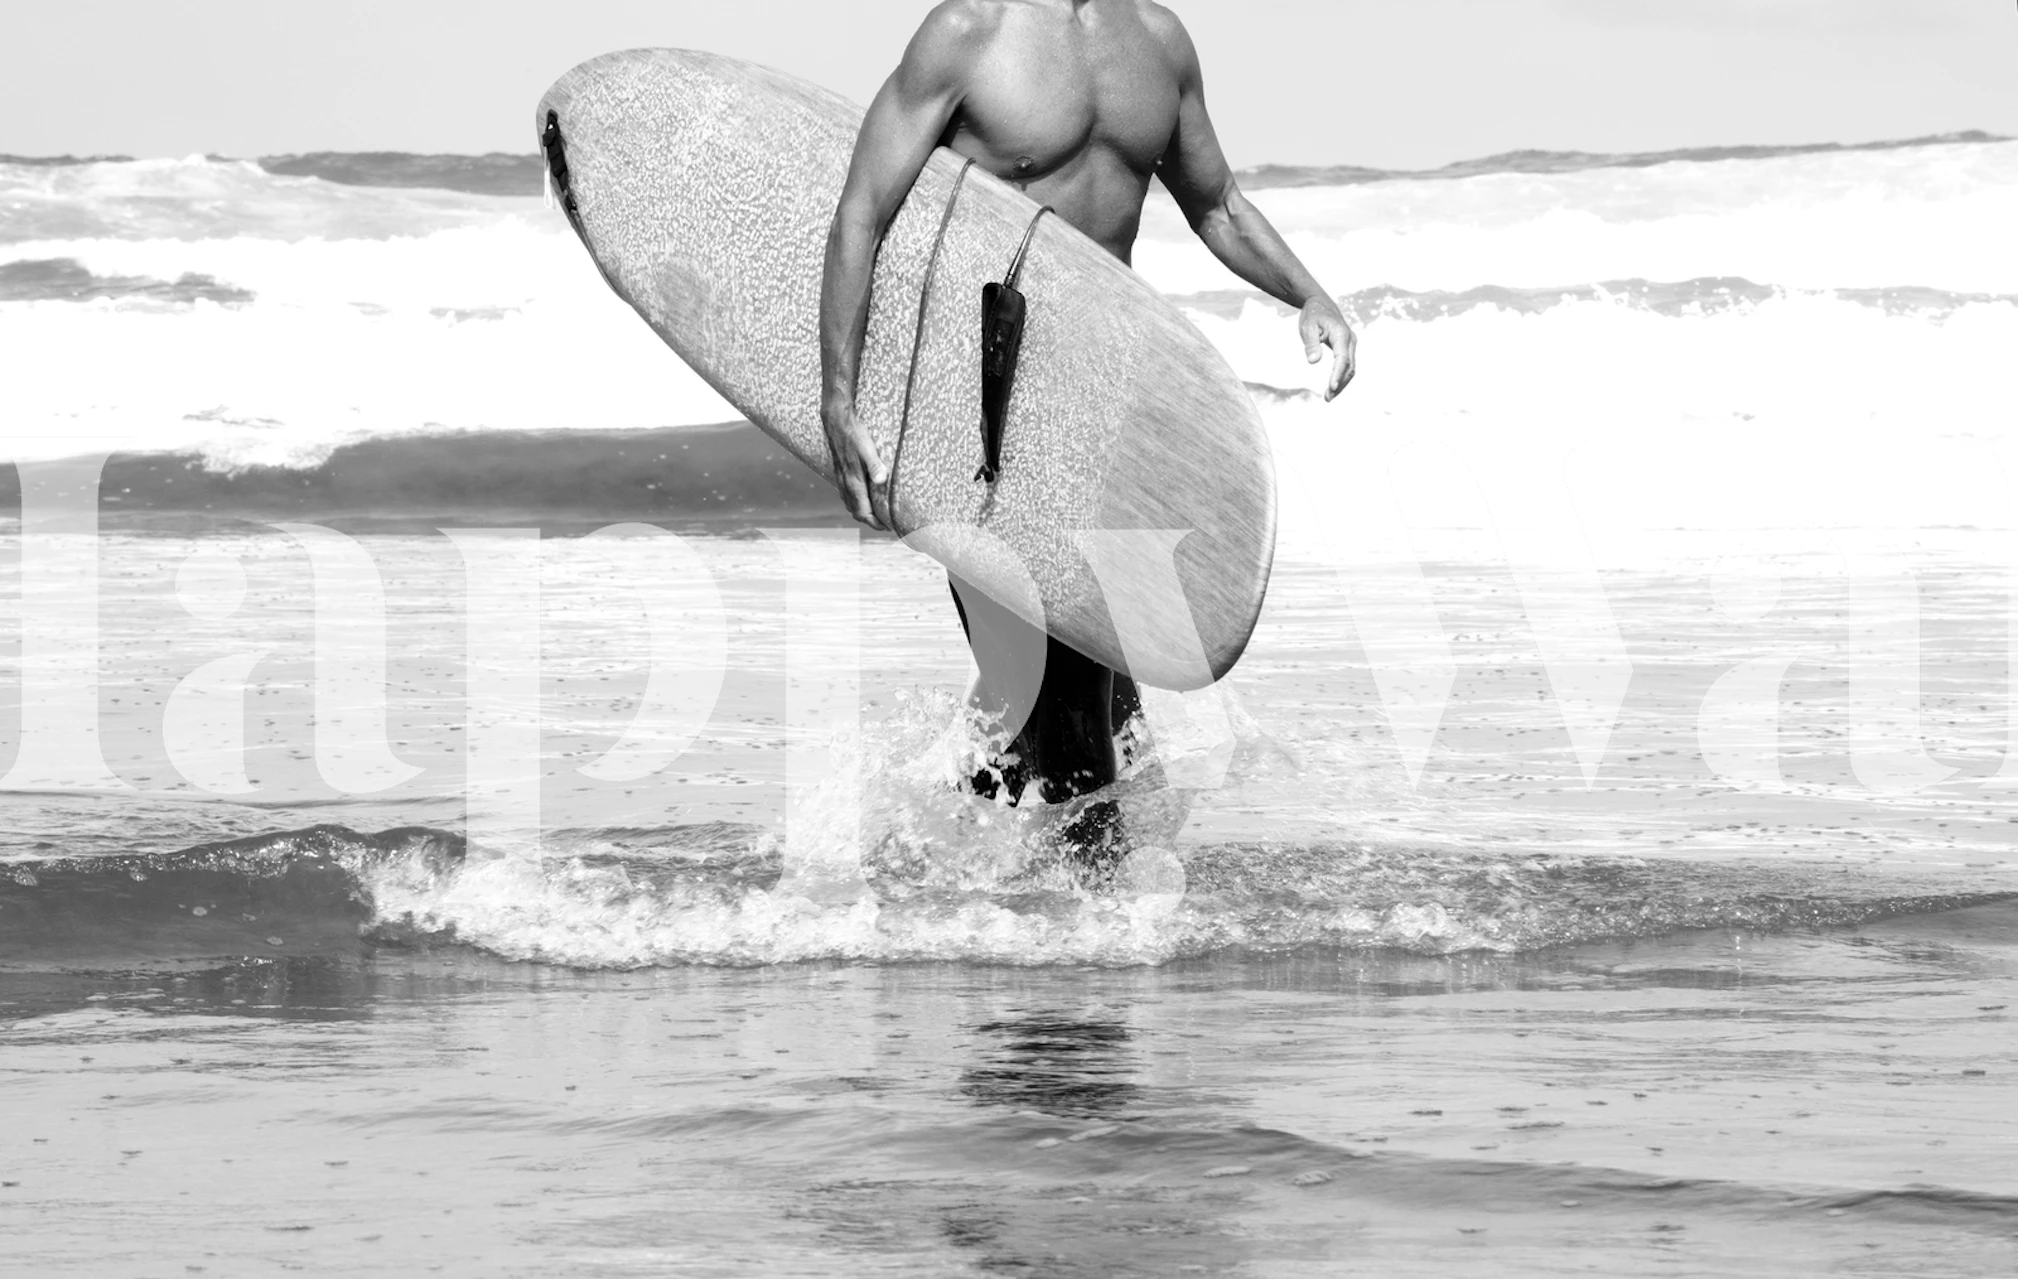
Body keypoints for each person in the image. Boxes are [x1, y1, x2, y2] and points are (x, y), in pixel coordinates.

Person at [818, 0, 1355, 866]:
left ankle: (951, 880)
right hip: (987, 416)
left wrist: (1309, 294)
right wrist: (840, 402)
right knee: (1067, 707)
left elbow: (1217, 203)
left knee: (1097, 706)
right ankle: (1093, 926)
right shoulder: (968, 33)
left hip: (1106, 405)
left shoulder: (1159, 42)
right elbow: (862, 213)